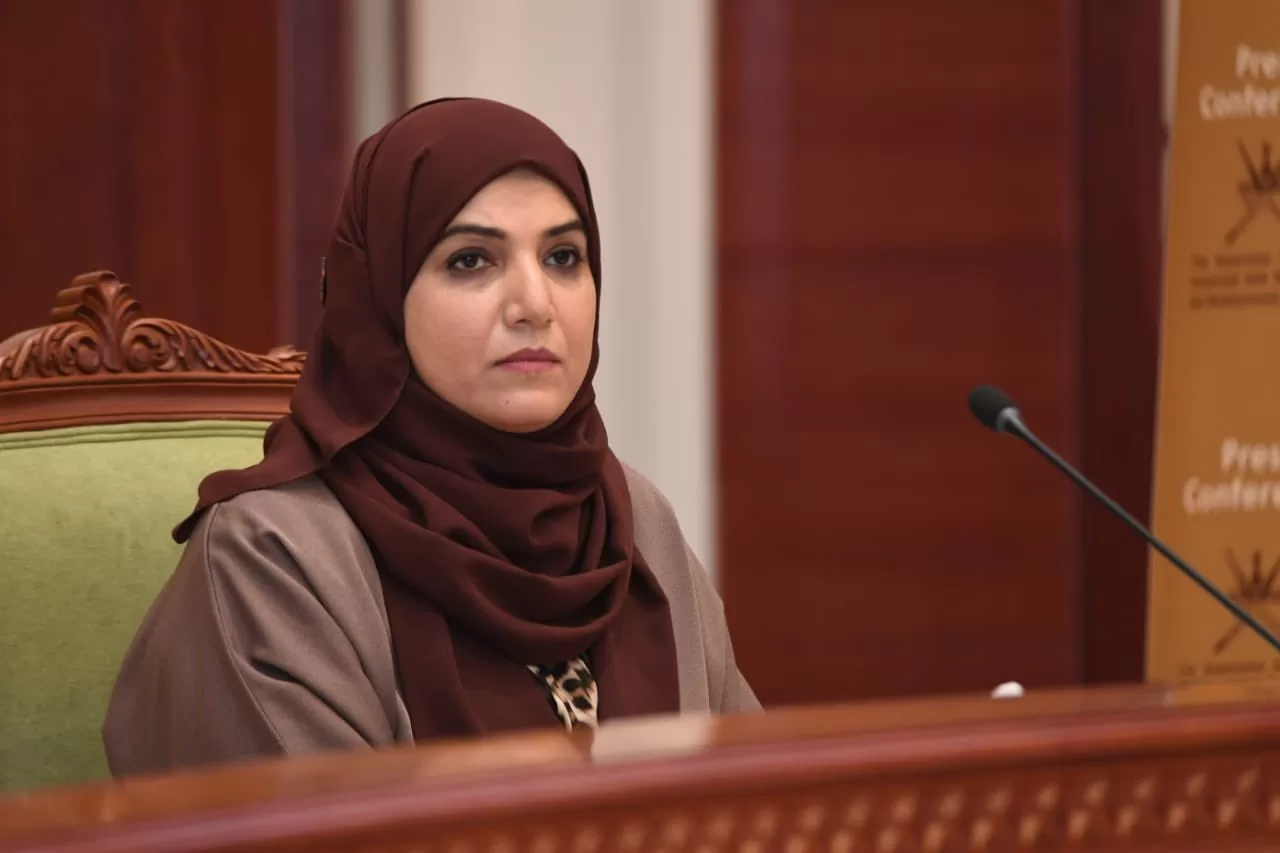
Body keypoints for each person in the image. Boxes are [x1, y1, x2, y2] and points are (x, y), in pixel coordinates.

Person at [103, 98, 758, 776]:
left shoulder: (634, 520)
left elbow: (758, 803)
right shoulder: (274, 560)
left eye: (564, 256)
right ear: (378, 296)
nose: (535, 305)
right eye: (471, 260)